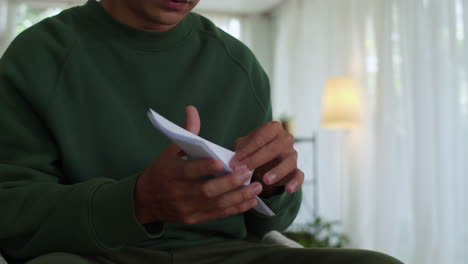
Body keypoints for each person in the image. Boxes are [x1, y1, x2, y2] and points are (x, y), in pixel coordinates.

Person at [0, 0, 403, 263]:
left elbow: (268, 224)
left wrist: (273, 183)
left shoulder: (237, 65)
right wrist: (137, 202)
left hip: (221, 252)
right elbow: (13, 217)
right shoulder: (39, 56)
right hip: (94, 254)